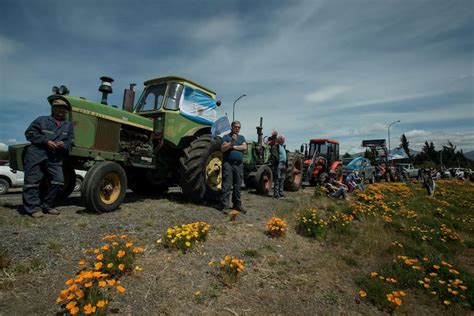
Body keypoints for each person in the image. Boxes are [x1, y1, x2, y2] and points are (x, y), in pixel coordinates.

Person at [22, 97, 74, 218]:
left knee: (59, 181)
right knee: (32, 182)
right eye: (58, 107)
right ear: (53, 108)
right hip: (37, 153)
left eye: (64, 108)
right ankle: (32, 208)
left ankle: (48, 205)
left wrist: (64, 144)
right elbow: (29, 133)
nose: (61, 110)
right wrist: (46, 141)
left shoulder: (68, 125)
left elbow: (70, 141)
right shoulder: (42, 120)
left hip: (55, 156)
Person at [220, 121, 247, 214]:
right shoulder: (226, 137)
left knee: (237, 186)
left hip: (239, 165)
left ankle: (237, 205)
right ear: (231, 127)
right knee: (227, 185)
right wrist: (231, 142)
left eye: (239, 127)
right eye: (235, 127)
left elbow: (244, 147)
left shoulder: (242, 137)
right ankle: (225, 206)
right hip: (228, 164)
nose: (237, 129)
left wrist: (233, 146)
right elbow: (223, 148)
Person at [270, 134, 287, 199]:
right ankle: (276, 195)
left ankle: (281, 193)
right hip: (278, 164)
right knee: (277, 179)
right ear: (279, 139)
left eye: (284, 140)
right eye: (282, 139)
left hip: (284, 164)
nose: (283, 141)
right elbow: (274, 155)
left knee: (282, 179)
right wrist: (276, 162)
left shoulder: (283, 146)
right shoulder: (276, 146)